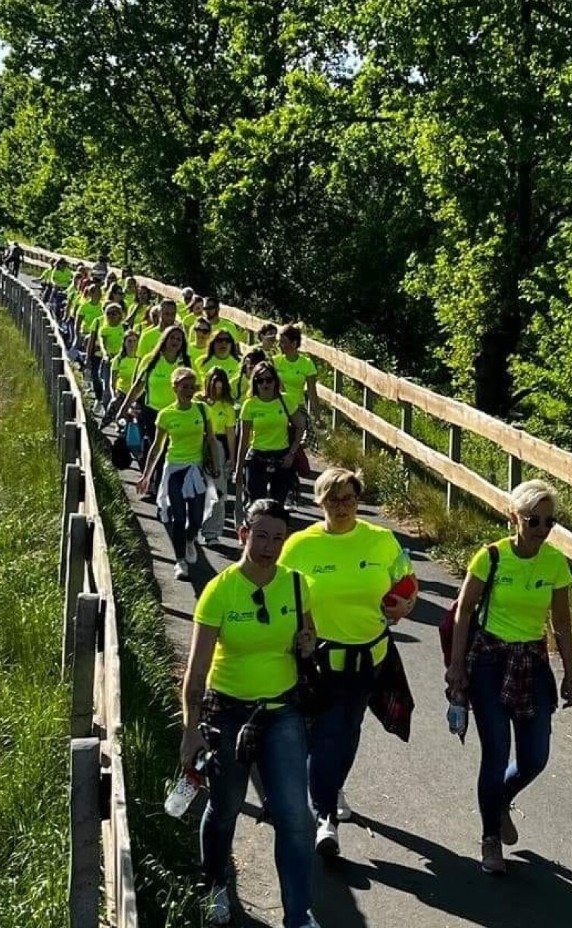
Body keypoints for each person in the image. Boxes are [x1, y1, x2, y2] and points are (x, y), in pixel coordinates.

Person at [181, 499, 320, 928]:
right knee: (224, 807)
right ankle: (216, 884)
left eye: (278, 538)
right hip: (227, 713)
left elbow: (308, 637)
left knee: (296, 816)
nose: (269, 546)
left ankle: (297, 915)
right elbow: (197, 669)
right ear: (243, 533)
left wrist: (308, 644)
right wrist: (190, 731)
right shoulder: (220, 591)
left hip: (281, 712)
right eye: (260, 535)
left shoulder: (298, 586)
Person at [279, 466, 417, 858]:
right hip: (321, 659)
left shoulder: (381, 541)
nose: (342, 506)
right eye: (334, 499)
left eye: (349, 498)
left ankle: (330, 786)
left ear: (358, 500)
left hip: (370, 657)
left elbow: (406, 583)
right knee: (327, 733)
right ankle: (325, 819)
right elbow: (277, 592)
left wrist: (405, 605)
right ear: (319, 500)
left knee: (350, 729)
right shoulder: (300, 547)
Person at [445, 479, 572, 876]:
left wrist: (569, 672)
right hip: (489, 660)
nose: (541, 529)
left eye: (549, 522)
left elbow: (562, 623)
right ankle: (489, 838)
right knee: (496, 751)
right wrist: (456, 666)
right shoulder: (490, 558)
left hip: (532, 663)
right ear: (514, 518)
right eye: (533, 520)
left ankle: (500, 799)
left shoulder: (554, 563)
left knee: (535, 756)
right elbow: (463, 612)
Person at [137, 366, 217, 580]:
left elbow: (210, 439)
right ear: (175, 387)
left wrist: (216, 464)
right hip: (175, 470)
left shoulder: (202, 410)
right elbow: (157, 446)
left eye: (192, 387)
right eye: (184, 387)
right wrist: (146, 475)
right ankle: (180, 561)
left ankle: (191, 539)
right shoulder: (166, 414)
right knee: (178, 517)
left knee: (197, 518)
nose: (188, 391)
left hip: (197, 469)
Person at [119, 325, 191, 482]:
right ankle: (154, 482)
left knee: (170, 451)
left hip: (177, 413)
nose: (175, 342)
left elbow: (195, 389)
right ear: (164, 339)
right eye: (172, 338)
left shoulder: (184, 363)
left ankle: (164, 484)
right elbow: (138, 386)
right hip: (152, 412)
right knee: (155, 448)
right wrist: (124, 407)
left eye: (179, 339)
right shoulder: (150, 360)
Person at [233, 362, 303, 506]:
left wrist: (291, 453)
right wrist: (238, 469)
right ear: (255, 383)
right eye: (260, 380)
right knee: (256, 504)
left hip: (282, 458)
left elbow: (300, 425)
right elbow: (244, 439)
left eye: (269, 379)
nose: (265, 384)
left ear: (275, 381)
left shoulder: (285, 400)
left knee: (277, 505)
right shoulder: (249, 405)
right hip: (257, 457)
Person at [197, 367, 238, 549]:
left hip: (219, 446)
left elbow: (230, 433)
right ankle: (193, 527)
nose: (217, 390)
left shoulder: (227, 407)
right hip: (198, 443)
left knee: (218, 491)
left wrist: (232, 458)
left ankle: (212, 532)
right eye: (214, 385)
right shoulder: (198, 401)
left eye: (220, 386)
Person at [273, 325, 321, 421]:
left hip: (298, 407)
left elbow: (312, 392)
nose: (278, 345)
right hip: (278, 406)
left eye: (282, 342)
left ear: (294, 343)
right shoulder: (275, 362)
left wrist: (317, 416)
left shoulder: (306, 363)